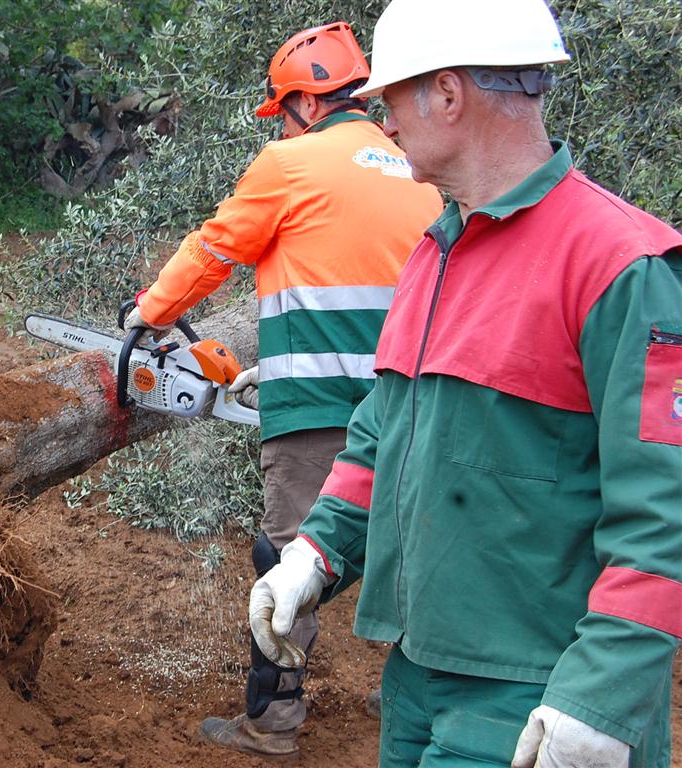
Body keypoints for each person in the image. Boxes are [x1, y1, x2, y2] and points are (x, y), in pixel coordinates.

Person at [248, 0, 682, 766]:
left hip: (536, 696)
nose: (384, 124)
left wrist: (601, 701)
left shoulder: (619, 265)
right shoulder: (436, 249)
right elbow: (385, 429)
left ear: (448, 94)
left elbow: (665, 511)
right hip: (416, 679)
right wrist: (315, 551)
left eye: (391, 101)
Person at [123, 21, 441, 757]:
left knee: (288, 555)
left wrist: (149, 314)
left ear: (302, 101)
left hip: (319, 408)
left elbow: (214, 248)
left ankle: (272, 721)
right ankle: (414, 697)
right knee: (414, 550)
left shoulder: (289, 161)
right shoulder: (414, 162)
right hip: (416, 401)